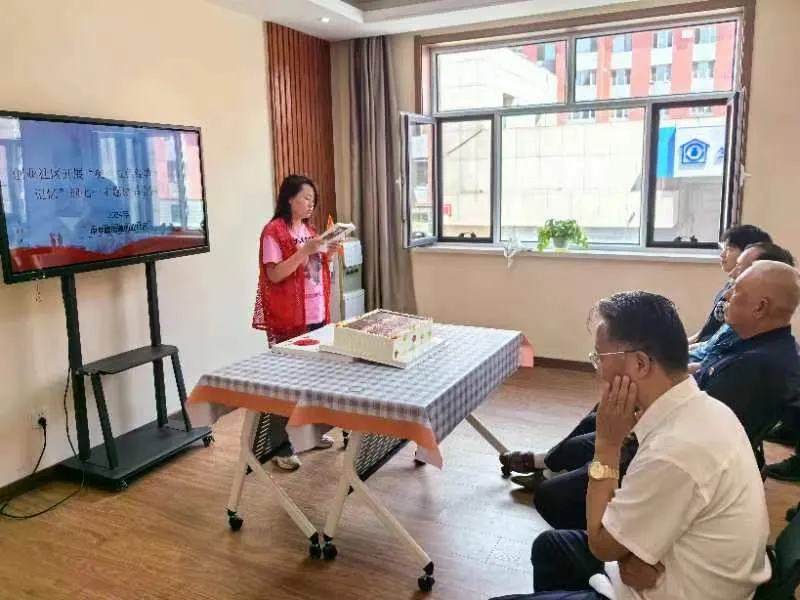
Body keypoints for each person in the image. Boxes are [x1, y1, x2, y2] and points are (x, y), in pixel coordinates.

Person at [490, 292, 772, 600]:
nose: (598, 370)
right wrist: (630, 553)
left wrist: (606, 446)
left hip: (671, 590)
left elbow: (602, 545)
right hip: (681, 562)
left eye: (600, 358)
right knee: (550, 547)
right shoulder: (705, 409)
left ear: (640, 364)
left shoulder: (674, 451)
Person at [252, 174, 339, 471]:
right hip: (288, 318)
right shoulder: (274, 231)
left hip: (315, 314)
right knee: (287, 384)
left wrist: (327, 253)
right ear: (289, 198)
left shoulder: (310, 230)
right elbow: (274, 274)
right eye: (306, 198)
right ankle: (279, 446)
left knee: (314, 381)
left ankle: (309, 435)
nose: (311, 204)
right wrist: (304, 251)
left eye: (313, 200)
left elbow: (314, 272)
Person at [688, 241, 795, 367]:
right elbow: (706, 346)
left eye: (739, 269)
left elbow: (706, 368)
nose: (731, 274)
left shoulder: (752, 353)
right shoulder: (739, 325)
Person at [689, 224, 771, 345]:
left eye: (730, 249)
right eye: (723, 248)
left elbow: (723, 342)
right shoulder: (729, 286)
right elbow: (705, 332)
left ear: (749, 254)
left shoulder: (749, 294)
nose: (722, 254)